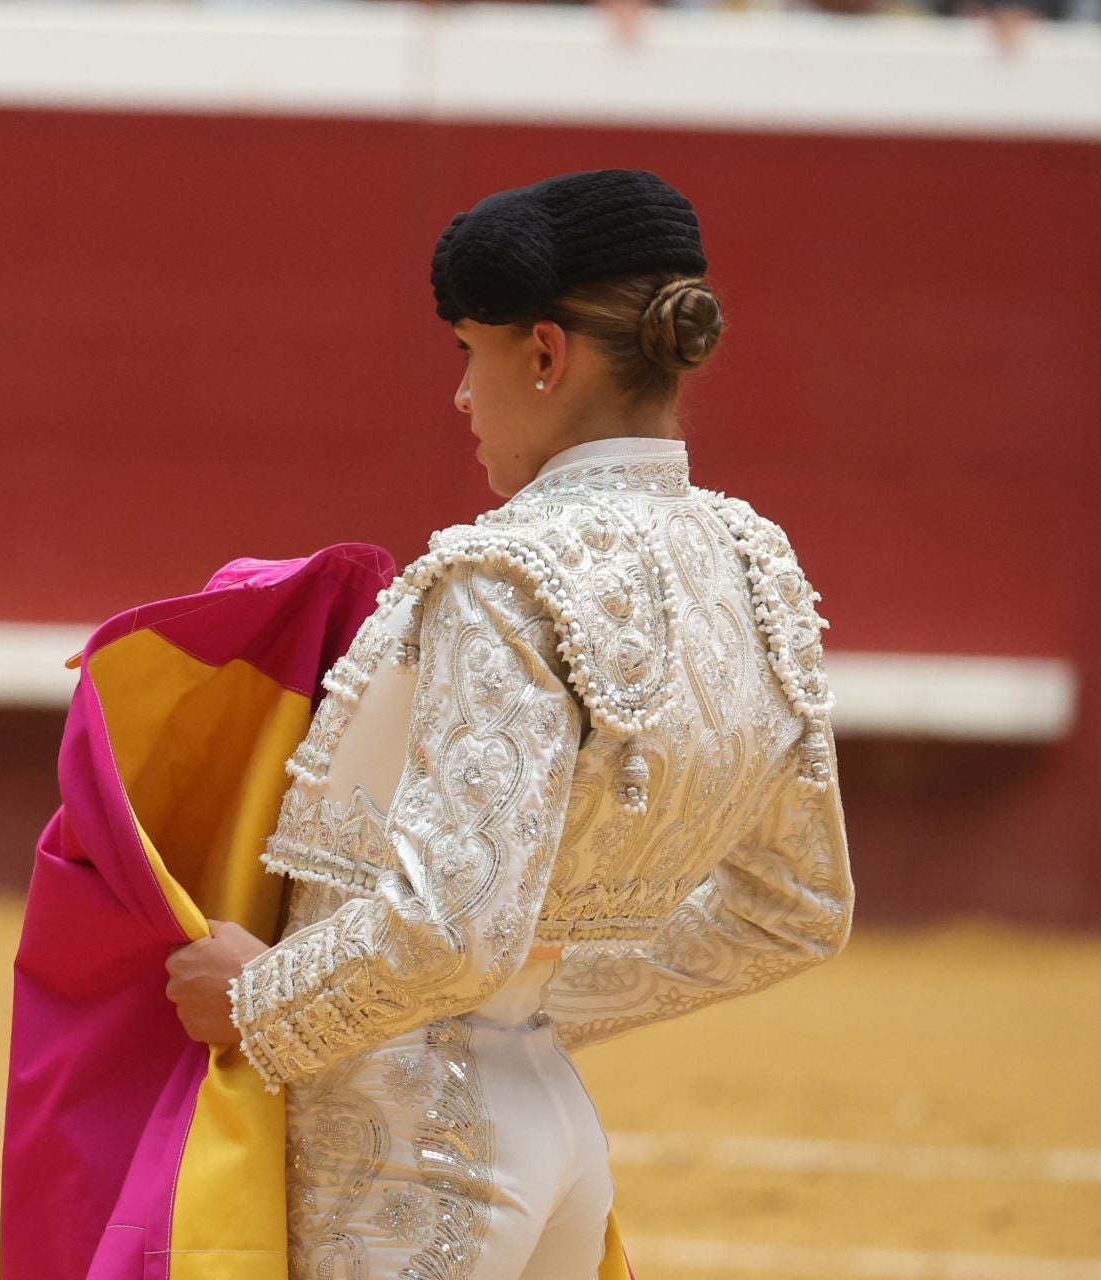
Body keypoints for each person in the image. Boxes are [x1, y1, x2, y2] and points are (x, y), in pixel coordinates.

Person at [163, 167, 855, 1279]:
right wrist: (523, 1008)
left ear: (545, 354)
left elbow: (451, 928)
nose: (460, 396)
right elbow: (797, 908)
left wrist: (258, 998)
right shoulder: (753, 565)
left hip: (406, 1138)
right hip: (553, 1118)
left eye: (466, 353)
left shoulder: (505, 577)